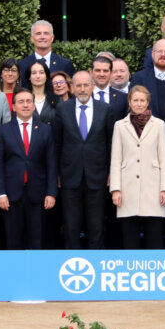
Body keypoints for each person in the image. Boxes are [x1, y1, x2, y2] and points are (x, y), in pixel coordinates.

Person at [53, 70, 114, 249]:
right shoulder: (62, 109)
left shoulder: (105, 109)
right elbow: (57, 143)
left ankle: (95, 259)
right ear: (72, 87)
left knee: (96, 225)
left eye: (86, 85)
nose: (82, 89)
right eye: (78, 85)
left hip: (97, 176)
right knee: (71, 225)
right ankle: (72, 258)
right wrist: (57, 173)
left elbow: (110, 143)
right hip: (70, 176)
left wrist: (110, 172)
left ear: (93, 86)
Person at [0, 88, 58, 249]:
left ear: (34, 106)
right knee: (13, 241)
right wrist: (0, 193)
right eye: (21, 102)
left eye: (29, 101)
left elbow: (51, 163)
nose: (26, 105)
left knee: (37, 240)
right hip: (11, 194)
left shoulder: (45, 130)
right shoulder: (3, 130)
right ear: (14, 107)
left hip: (38, 193)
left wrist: (51, 192)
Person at [108, 85, 165, 249]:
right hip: (127, 187)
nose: (139, 104)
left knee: (154, 238)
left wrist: (164, 189)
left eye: (142, 100)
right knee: (130, 239)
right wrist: (116, 189)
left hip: (153, 187)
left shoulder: (159, 125)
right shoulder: (120, 125)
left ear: (148, 102)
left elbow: (163, 158)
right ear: (129, 102)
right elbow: (116, 159)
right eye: (135, 100)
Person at [18, 19, 74, 84]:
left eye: (46, 33)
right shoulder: (22, 65)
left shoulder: (65, 64)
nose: (42, 37)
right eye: (38, 33)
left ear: (52, 38)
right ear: (32, 38)